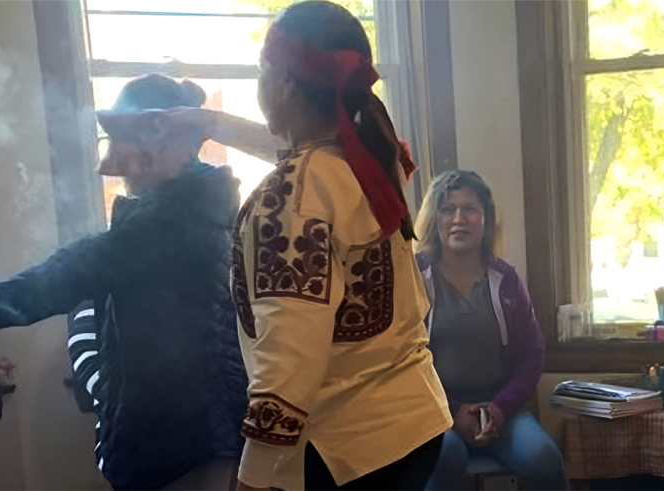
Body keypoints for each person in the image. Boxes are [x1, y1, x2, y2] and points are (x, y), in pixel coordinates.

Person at [155, 2, 451, 490]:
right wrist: (204, 122)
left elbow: (287, 369)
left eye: (261, 69)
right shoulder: (370, 159)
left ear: (286, 81)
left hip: (346, 450)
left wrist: (253, 479)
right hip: (412, 422)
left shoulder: (287, 202)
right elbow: (305, 150)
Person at [0, 74, 251, 491]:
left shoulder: (171, 221)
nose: (117, 160)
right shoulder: (189, 208)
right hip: (191, 435)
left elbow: (76, 269)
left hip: (183, 438)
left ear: (167, 146)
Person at [415, 170, 567, 491]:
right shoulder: (415, 277)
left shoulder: (506, 279)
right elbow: (405, 359)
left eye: (469, 208)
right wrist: (455, 412)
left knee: (544, 458)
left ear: (485, 218)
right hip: (435, 413)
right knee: (447, 456)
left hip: (500, 409)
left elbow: (532, 354)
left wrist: (500, 408)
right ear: (435, 219)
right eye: (448, 209)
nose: (459, 218)